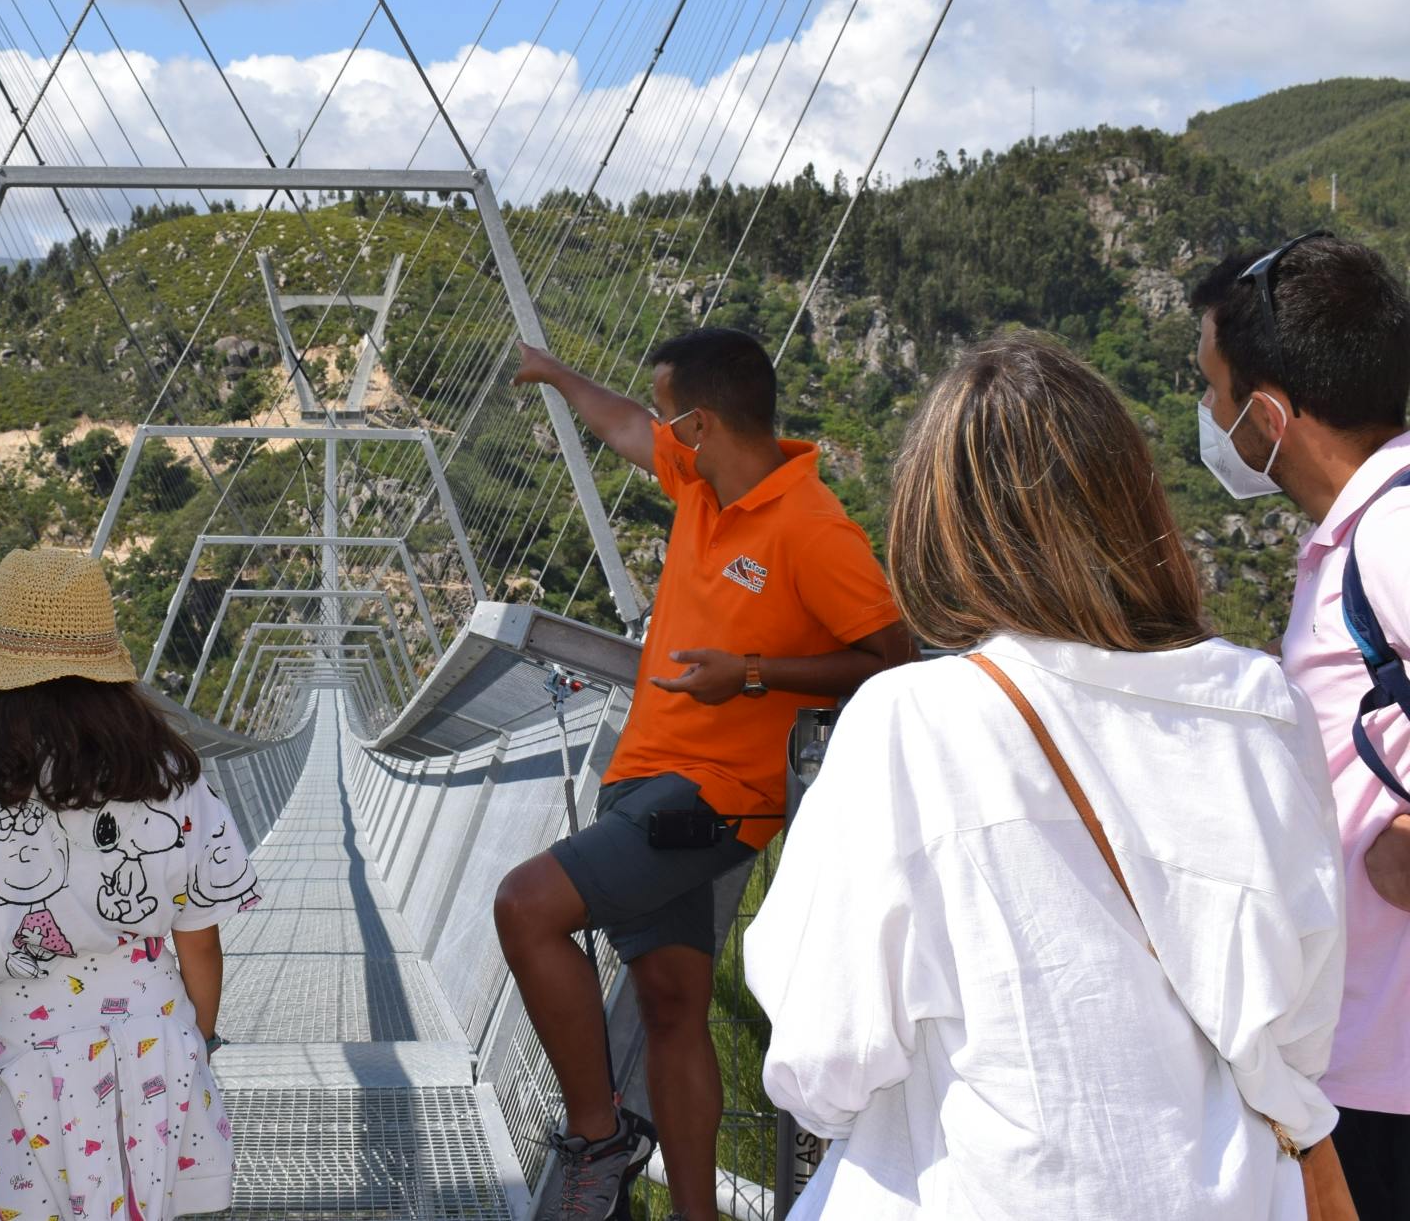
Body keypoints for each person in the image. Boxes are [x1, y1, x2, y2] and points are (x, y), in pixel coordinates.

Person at [743, 336, 1345, 1220]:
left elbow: (820, 1058)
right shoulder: (1259, 709)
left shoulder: (911, 722)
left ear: (938, 522)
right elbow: (1302, 1027)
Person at [493, 328, 913, 1221]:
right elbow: (624, 427)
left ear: (707, 420)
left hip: (713, 798)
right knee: (675, 1004)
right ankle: (695, 1213)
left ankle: (597, 1138)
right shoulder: (701, 481)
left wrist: (752, 672)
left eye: (673, 415)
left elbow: (892, 658)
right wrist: (556, 371)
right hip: (643, 776)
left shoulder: (811, 526)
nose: (663, 432)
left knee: (526, 905)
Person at [0, 547, 259, 1221]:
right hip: (156, 1046)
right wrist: (200, 1037)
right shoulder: (173, 778)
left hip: (31, 1066)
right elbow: (200, 944)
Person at [1190, 231, 1410, 1219]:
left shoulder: (1394, 534)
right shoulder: (1356, 538)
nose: (1207, 415)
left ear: (1269, 414)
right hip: (1358, 1059)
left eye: (1211, 387)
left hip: (1388, 1072)